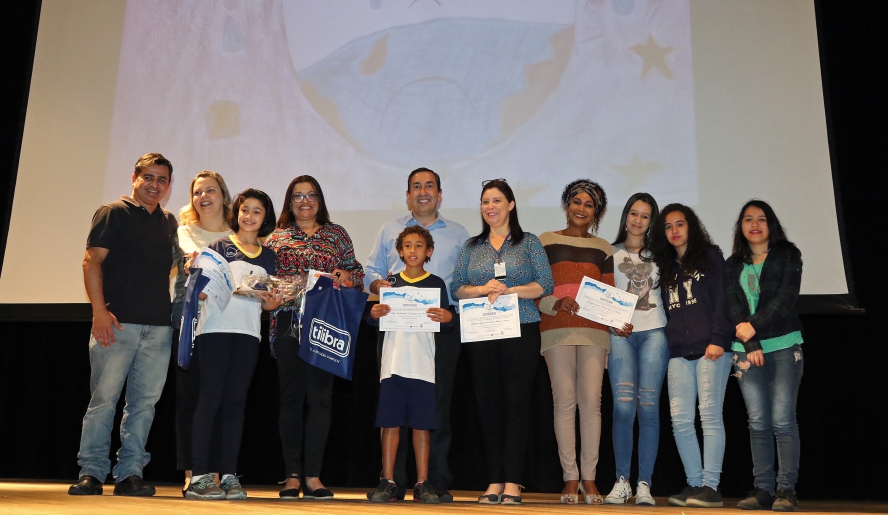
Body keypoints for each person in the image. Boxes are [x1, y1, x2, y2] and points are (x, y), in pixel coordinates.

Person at [69, 153, 179, 496]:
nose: (155, 185)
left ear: (168, 185)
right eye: (149, 177)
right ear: (134, 178)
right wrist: (99, 312)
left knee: (144, 405)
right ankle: (92, 472)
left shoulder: (170, 222)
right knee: (103, 400)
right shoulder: (112, 212)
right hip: (115, 324)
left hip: (159, 328)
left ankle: (130, 473)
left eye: (162, 180)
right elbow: (91, 262)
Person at [363, 167, 469, 501]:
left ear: (439, 194)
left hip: (439, 332)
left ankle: (433, 481)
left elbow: (464, 280)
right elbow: (370, 272)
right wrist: (380, 291)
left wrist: (451, 315)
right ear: (407, 194)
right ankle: (392, 480)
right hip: (395, 335)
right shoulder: (387, 229)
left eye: (429, 186)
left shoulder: (458, 232)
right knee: (392, 412)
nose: (423, 192)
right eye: (415, 187)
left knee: (434, 409)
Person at [450, 179, 554, 505]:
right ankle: (494, 480)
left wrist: (511, 291)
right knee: (487, 405)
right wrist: (484, 289)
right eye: (485, 202)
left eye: (496, 200)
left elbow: (545, 284)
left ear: (510, 205)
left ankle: (513, 481)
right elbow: (458, 288)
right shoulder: (471, 246)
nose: (490, 207)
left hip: (521, 329)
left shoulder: (529, 243)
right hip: (481, 332)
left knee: (516, 405)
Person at [265, 175, 365, 500]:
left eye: (310, 195)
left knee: (320, 400)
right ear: (289, 202)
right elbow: (264, 280)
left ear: (319, 200)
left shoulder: (336, 234)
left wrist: (346, 277)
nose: (304, 201)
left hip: (325, 324)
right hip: (287, 322)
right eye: (297, 196)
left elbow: (357, 272)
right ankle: (292, 476)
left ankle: (313, 476)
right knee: (291, 398)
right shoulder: (276, 237)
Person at [185, 189, 284, 500]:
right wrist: (195, 276)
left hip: (247, 335)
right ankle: (200, 476)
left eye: (257, 211)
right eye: (245, 210)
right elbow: (199, 293)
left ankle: (228, 475)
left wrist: (273, 302)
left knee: (236, 404)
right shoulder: (217, 247)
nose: (250, 216)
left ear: (265, 218)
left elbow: (266, 305)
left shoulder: (269, 257)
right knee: (210, 397)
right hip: (214, 331)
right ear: (236, 213)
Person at [649, 203, 733, 509]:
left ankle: (711, 485)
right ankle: (695, 482)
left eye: (680, 224)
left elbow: (725, 300)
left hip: (711, 349)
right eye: (668, 226)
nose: (674, 231)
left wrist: (720, 339)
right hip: (679, 353)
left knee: (709, 418)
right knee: (680, 421)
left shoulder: (710, 256)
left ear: (691, 226)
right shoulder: (666, 265)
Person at [536, 179, 614, 505]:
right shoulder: (544, 241)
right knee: (564, 403)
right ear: (566, 204)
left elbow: (609, 296)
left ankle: (590, 479)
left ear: (596, 212)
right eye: (576, 202)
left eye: (589, 204)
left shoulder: (604, 248)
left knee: (591, 404)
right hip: (556, 330)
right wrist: (555, 302)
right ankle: (570, 478)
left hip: (595, 333)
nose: (581, 208)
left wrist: (618, 319)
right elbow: (535, 289)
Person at [366, 226, 455, 504]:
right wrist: (373, 313)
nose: (413, 250)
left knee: (421, 426)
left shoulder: (436, 284)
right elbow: (374, 320)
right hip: (393, 364)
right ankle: (388, 481)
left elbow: (448, 319)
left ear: (428, 251)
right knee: (390, 424)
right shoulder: (389, 284)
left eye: (419, 245)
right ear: (400, 251)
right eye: (407, 245)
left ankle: (422, 483)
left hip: (422, 365)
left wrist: (447, 317)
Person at [725, 200, 804, 512]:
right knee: (757, 422)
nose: (754, 224)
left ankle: (786, 489)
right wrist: (751, 343)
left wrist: (751, 328)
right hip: (746, 352)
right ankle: (763, 490)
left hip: (784, 345)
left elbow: (785, 300)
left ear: (771, 224)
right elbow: (732, 307)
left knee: (783, 421)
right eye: (747, 219)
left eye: (760, 219)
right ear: (741, 226)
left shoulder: (788, 255)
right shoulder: (732, 265)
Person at [170, 170, 233, 494]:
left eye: (210, 190)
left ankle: (221, 473)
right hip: (189, 317)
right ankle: (193, 472)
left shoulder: (239, 234)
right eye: (197, 192)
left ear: (223, 195)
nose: (203, 196)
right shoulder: (182, 232)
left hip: (227, 320)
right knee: (191, 396)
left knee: (223, 398)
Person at [604, 193, 669, 506]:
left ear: (651, 221)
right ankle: (622, 480)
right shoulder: (608, 253)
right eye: (633, 213)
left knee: (648, 408)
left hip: (655, 334)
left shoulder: (661, 255)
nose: (638, 220)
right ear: (625, 216)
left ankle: (644, 484)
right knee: (623, 409)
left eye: (645, 215)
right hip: (620, 336)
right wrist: (611, 324)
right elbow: (599, 299)